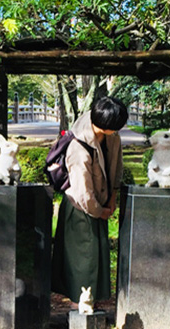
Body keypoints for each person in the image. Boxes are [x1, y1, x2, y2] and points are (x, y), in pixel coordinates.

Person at [52, 96, 128, 308]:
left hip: (101, 204)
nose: (119, 130)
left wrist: (113, 196)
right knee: (84, 261)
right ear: (103, 125)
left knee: (96, 258)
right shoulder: (78, 147)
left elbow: (117, 166)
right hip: (80, 208)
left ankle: (91, 303)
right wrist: (100, 211)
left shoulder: (112, 136)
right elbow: (82, 192)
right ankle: (81, 308)